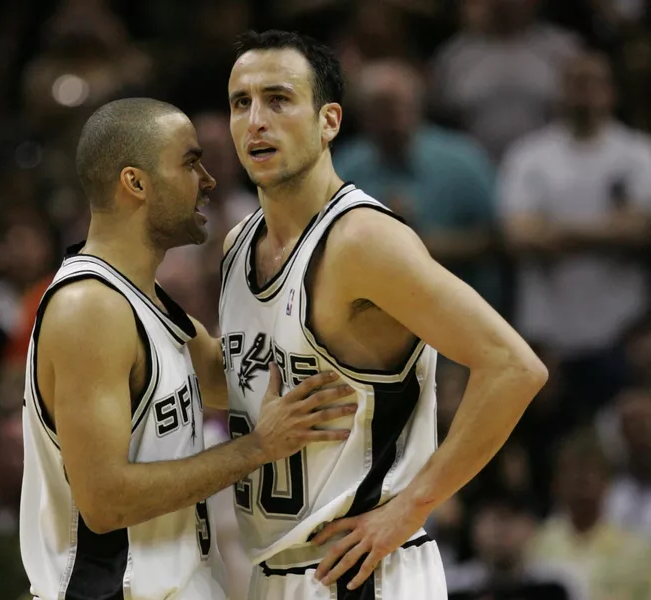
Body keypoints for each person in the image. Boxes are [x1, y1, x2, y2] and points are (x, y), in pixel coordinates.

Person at [219, 30, 548, 599]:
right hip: (273, 573)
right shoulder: (236, 243)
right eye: (240, 103)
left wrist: (412, 508)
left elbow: (514, 366)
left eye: (278, 99)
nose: (255, 121)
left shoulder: (362, 241)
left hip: (361, 571)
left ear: (329, 122)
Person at [19, 98, 357, 600]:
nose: (209, 179)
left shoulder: (144, 298)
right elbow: (104, 501)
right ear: (136, 183)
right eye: (189, 162)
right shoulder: (87, 310)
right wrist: (258, 448)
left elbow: (234, 376)